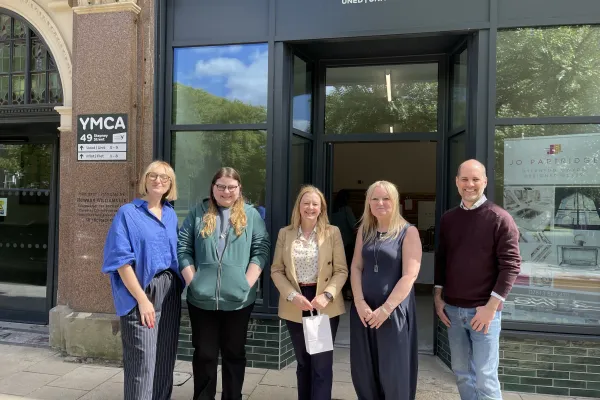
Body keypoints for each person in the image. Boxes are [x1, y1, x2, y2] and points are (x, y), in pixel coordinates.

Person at [177, 167, 270, 400]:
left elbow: (261, 250)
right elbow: (183, 248)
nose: (226, 191)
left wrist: (246, 283)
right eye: (221, 186)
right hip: (201, 300)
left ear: (239, 189)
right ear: (213, 188)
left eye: (231, 187)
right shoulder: (197, 213)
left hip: (238, 301)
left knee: (234, 354)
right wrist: (193, 281)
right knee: (205, 354)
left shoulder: (251, 215)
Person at [434, 159, 521, 400]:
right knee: (462, 374)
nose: (469, 184)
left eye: (475, 179)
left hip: (484, 312)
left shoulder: (499, 218)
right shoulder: (449, 219)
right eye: (464, 179)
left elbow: (511, 266)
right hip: (453, 311)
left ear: (485, 182)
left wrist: (491, 308)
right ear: (456, 182)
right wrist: (438, 297)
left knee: (485, 377)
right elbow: (442, 259)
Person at [102, 160, 183, 400]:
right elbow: (121, 261)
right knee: (142, 363)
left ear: (170, 184)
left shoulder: (170, 214)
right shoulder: (128, 213)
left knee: (165, 359)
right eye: (153, 175)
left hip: (169, 290)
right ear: (145, 180)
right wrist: (142, 300)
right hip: (141, 291)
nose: (158, 180)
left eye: (164, 177)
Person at [271, 185, 348, 400]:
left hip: (322, 302)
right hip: (295, 301)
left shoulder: (332, 233)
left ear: (321, 208)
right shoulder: (285, 233)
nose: (310, 207)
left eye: (315, 204)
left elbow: (341, 270)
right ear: (299, 206)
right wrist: (292, 295)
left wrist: (328, 295)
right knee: (303, 362)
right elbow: (276, 270)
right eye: (306, 203)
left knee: (321, 364)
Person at [350, 180, 421, 400]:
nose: (380, 203)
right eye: (375, 199)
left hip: (393, 312)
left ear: (395, 201)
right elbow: (356, 267)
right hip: (364, 312)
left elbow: (410, 275)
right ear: (368, 203)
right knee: (365, 370)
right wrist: (359, 302)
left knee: (394, 372)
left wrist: (386, 309)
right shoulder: (364, 231)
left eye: (386, 198)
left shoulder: (408, 232)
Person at [330, 189, 357, 300]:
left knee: (336, 268)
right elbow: (354, 226)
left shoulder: (331, 210)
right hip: (347, 244)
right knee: (348, 268)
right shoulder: (346, 210)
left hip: (333, 244)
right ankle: (348, 292)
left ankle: (337, 291)